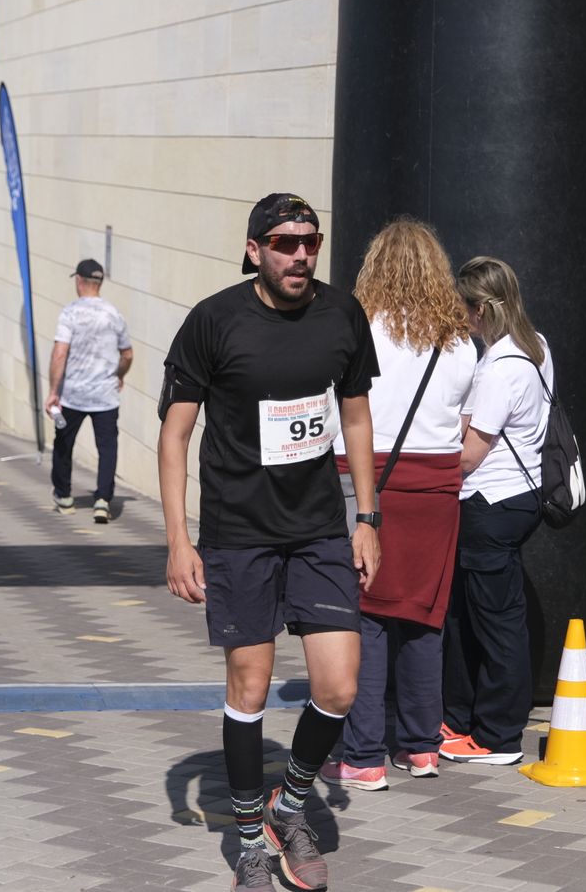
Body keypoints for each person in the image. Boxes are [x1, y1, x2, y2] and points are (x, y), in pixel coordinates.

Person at [159, 192, 381, 891]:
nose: (301, 254)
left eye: (311, 240)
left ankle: (290, 805)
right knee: (249, 684)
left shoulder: (342, 313)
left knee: (340, 684)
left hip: (317, 526)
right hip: (239, 532)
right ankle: (252, 839)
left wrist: (367, 517)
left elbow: (357, 417)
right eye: (285, 242)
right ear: (255, 248)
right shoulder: (214, 320)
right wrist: (177, 538)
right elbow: (174, 434)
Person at [317, 218, 477, 792]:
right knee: (424, 617)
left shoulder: (354, 326)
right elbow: (462, 426)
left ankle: (362, 756)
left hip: (364, 481)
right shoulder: (459, 341)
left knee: (366, 617)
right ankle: (421, 747)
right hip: (436, 488)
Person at [440, 256, 557, 766]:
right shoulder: (536, 347)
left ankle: (497, 736)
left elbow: (469, 453)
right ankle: (463, 719)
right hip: (518, 499)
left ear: (482, 308)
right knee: (477, 614)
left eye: (463, 308)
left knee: (496, 623)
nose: (459, 317)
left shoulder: (501, 368)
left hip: (490, 503)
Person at [45, 258, 133, 522]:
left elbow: (60, 354)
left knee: (63, 444)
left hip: (73, 394)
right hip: (105, 395)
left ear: (79, 281)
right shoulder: (114, 314)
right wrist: (118, 374)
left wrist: (53, 391)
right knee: (107, 448)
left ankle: (64, 496)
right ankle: (103, 500)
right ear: (100, 282)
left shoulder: (70, 313)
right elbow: (127, 354)